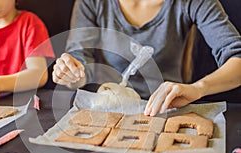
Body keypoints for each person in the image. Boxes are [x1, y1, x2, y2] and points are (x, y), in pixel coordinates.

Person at [52, 0, 241, 116]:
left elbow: (237, 57)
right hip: (104, 109)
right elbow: (79, 60)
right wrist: (71, 74)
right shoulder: (92, 2)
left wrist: (198, 89)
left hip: (165, 110)